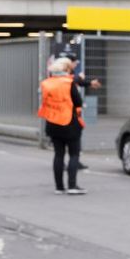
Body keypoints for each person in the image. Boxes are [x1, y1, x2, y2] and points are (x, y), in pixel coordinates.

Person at [38, 57, 87, 195]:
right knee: (73, 154)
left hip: (53, 122)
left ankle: (59, 187)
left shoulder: (46, 83)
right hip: (70, 123)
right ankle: (72, 186)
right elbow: (78, 102)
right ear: (66, 69)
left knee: (58, 155)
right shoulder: (69, 83)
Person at [57, 51, 102, 170]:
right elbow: (73, 80)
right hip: (69, 113)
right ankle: (73, 165)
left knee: (61, 146)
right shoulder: (66, 75)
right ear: (69, 63)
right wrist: (82, 80)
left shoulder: (58, 74)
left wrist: (88, 82)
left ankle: (64, 164)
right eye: (75, 62)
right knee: (72, 141)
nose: (76, 64)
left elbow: (77, 81)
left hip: (59, 113)